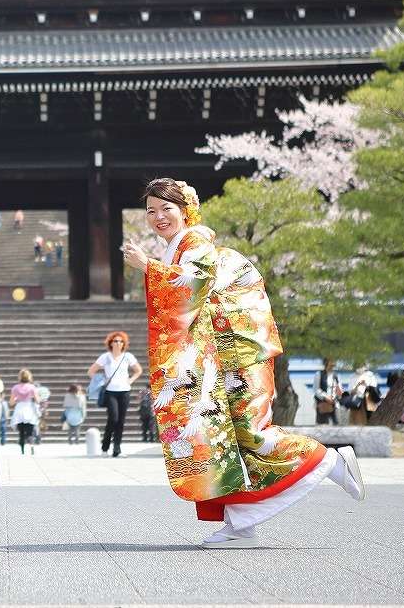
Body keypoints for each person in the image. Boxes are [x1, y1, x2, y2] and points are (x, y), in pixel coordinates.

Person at [122, 177, 365, 548]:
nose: (158, 217)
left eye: (166, 208)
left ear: (185, 210)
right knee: (226, 440)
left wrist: (149, 267)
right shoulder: (181, 246)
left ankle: (328, 460)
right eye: (151, 211)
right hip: (223, 354)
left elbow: (193, 285)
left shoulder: (195, 243)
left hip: (240, 353)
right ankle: (241, 524)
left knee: (252, 432)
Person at [87, 331, 141, 457]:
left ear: (124, 344)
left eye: (121, 341)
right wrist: (101, 380)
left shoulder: (128, 356)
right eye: (115, 341)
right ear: (110, 343)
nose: (118, 343)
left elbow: (138, 370)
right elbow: (91, 371)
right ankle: (105, 448)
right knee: (113, 419)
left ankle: (117, 449)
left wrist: (131, 380)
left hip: (124, 391)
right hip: (110, 392)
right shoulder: (105, 357)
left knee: (121, 421)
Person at [9, 369, 40, 455]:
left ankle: (22, 450)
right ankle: (31, 446)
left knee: (21, 433)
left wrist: (17, 399)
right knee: (30, 432)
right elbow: (38, 401)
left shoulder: (15, 388)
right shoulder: (32, 387)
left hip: (19, 409)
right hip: (29, 409)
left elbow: (11, 403)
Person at [313, 359, 342, 426]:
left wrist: (336, 396)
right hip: (323, 403)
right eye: (330, 365)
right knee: (322, 425)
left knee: (336, 424)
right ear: (326, 364)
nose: (332, 366)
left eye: (333, 365)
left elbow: (339, 388)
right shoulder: (319, 374)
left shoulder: (336, 375)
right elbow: (316, 389)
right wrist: (326, 397)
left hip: (334, 403)